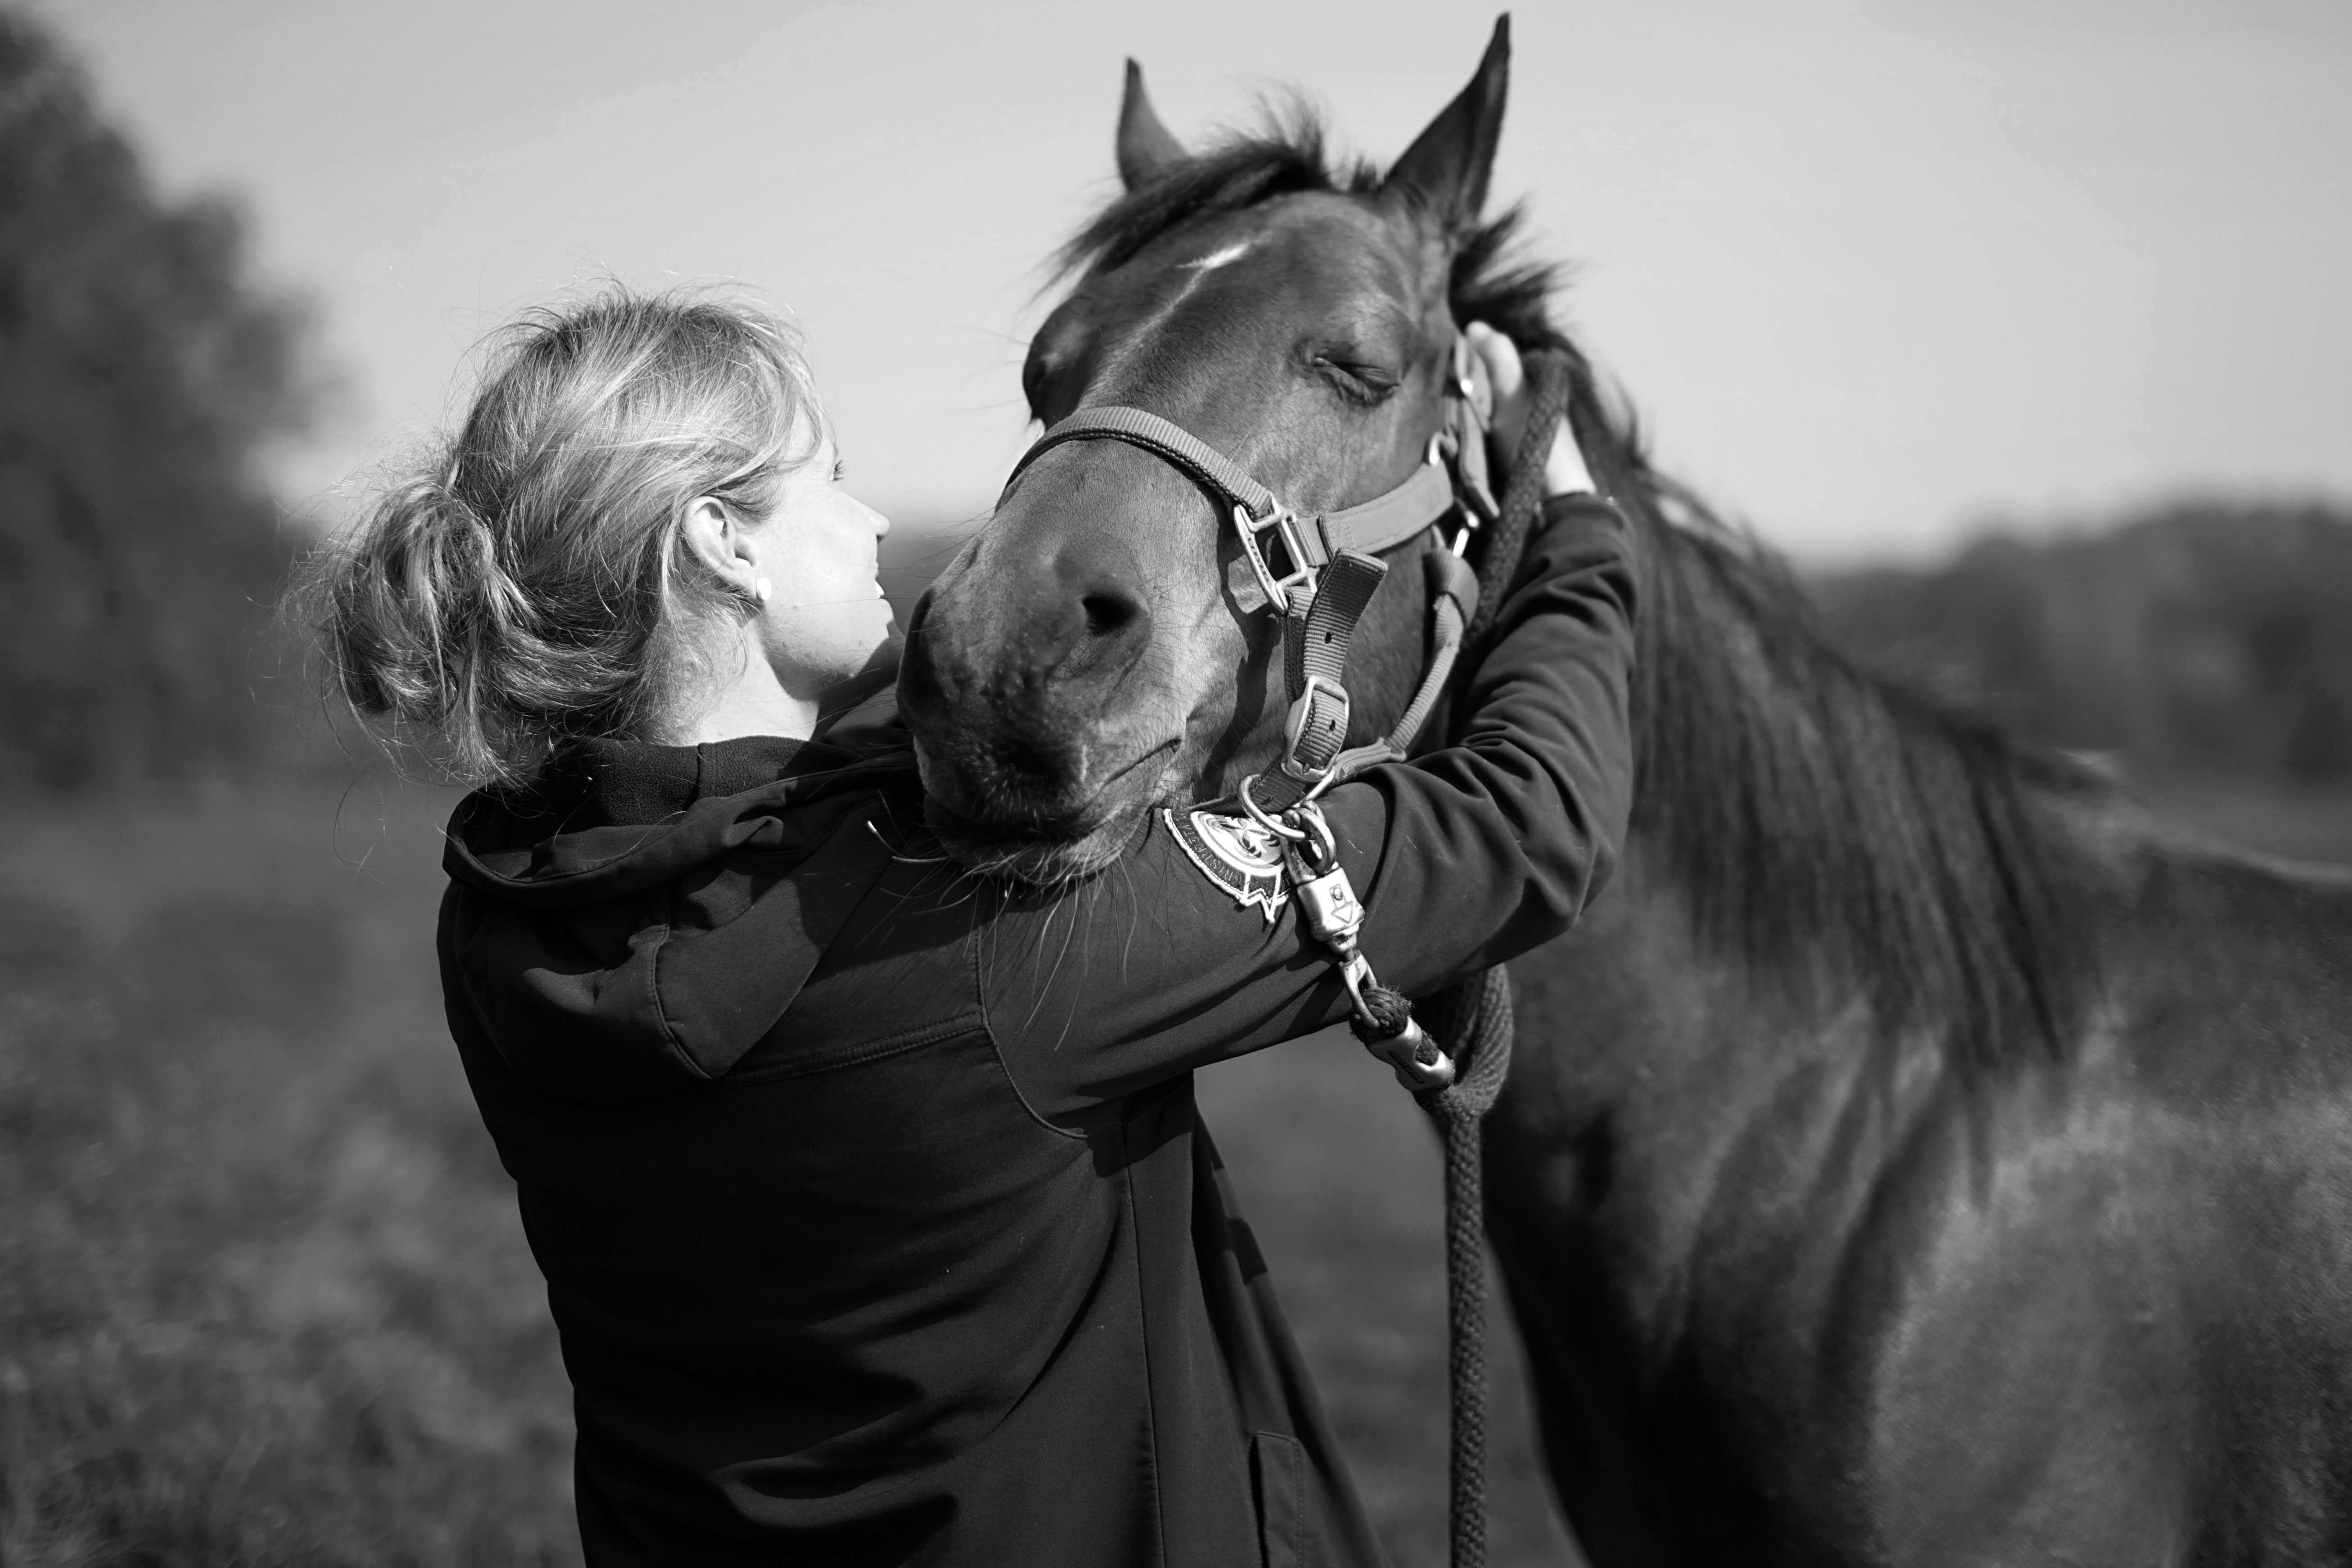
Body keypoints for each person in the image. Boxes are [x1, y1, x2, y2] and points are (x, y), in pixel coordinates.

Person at [307, 287, 1634, 1568]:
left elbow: (806, 796)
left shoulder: (506, 918)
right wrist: (1571, 517)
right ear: (722, 542)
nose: (874, 517)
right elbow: (1531, 822)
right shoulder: (994, 935)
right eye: (827, 479)